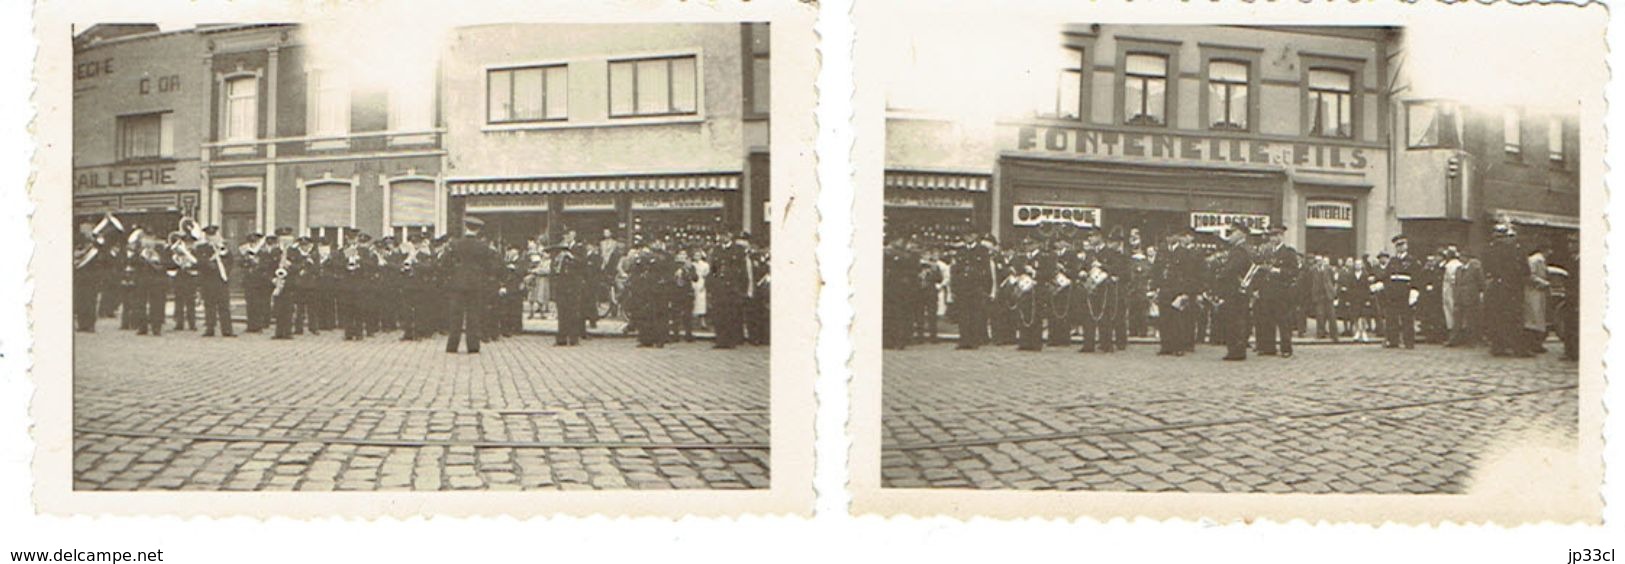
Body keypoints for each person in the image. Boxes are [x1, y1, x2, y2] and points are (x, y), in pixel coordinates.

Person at [443, 216, 500, 354]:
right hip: (476, 284)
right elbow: (490, 266)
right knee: (473, 315)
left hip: (458, 283)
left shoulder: (455, 244)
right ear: (479, 230)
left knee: (456, 315)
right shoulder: (483, 246)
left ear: (466, 227)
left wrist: (453, 275)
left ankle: (452, 345)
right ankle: (473, 346)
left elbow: (445, 263)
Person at [1253, 225, 1301, 357]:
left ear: (1281, 236)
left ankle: (1286, 348)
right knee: (1267, 320)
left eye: (1276, 236)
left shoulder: (1289, 252)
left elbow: (1294, 272)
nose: (1273, 239)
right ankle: (1269, 347)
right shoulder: (1267, 252)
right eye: (1271, 236)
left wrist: (1278, 271)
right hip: (1267, 291)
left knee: (1283, 321)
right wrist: (1258, 288)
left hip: (1281, 292)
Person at [1484, 224, 1528, 357]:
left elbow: (1487, 268)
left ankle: (1498, 347)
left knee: (1496, 317)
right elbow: (1524, 270)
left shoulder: (1489, 249)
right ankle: (1518, 348)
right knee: (1514, 317)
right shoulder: (1515, 250)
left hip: (1496, 286)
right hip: (1512, 287)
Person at [1216, 222, 1254, 361]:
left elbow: (1232, 269)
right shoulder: (1241, 249)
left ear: (1241, 234)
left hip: (1235, 290)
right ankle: (1237, 349)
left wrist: (1221, 275)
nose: (1230, 236)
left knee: (1235, 320)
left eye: (1232, 233)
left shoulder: (1240, 250)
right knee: (1237, 320)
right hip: (1238, 290)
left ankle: (1236, 350)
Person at [951, 234, 995, 350]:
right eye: (966, 236)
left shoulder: (982, 250)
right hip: (962, 287)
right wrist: (954, 287)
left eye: (971, 235)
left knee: (975, 315)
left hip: (976, 287)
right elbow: (955, 271)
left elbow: (986, 270)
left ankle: (975, 340)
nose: (968, 238)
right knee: (963, 315)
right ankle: (964, 340)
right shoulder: (961, 251)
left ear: (975, 236)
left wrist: (987, 289)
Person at [1381, 235, 1419, 349]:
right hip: (1393, 293)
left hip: (1405, 292)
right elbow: (1387, 276)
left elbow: (1417, 277)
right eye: (1398, 245)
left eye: (1402, 245)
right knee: (1392, 317)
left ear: (1406, 246)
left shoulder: (1412, 261)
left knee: (1407, 317)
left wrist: (1414, 292)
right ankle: (1393, 341)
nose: (1400, 248)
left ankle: (1409, 342)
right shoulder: (1393, 261)